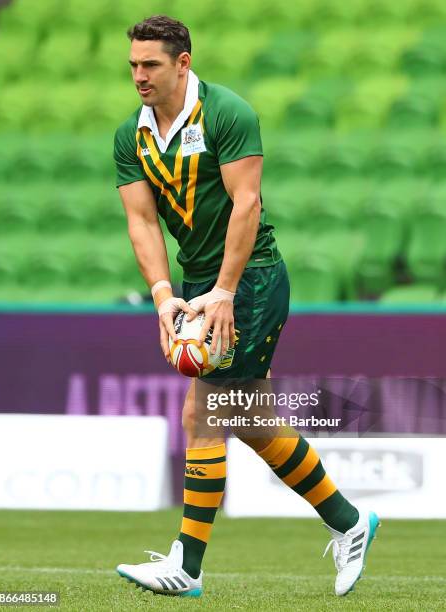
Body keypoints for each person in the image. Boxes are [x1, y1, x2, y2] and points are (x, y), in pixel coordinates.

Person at [113, 14, 379, 598]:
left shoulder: (228, 113)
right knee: (251, 419)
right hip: (197, 279)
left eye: (151, 64)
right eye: (133, 64)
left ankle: (187, 564)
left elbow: (247, 203)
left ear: (183, 62)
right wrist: (163, 295)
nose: (139, 75)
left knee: (201, 412)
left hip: (251, 277)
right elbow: (140, 221)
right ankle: (351, 522)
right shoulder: (129, 134)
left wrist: (226, 291)